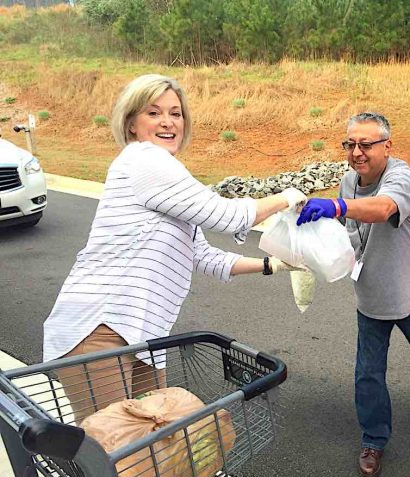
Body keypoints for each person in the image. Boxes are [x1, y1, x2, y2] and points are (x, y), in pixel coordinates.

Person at [43, 73, 306, 424]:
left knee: (154, 451)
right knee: (118, 453)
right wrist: (287, 196)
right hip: (101, 328)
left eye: (176, 113)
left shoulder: (162, 172)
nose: (168, 122)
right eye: (154, 113)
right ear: (132, 123)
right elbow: (225, 215)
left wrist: (272, 264)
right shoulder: (144, 160)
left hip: (143, 337)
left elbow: (203, 255)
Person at [296, 112, 410, 477]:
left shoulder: (400, 176)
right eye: (351, 145)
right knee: (368, 375)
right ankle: (374, 440)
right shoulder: (349, 181)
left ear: (387, 146)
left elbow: (383, 209)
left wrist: (336, 206)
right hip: (372, 296)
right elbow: (349, 230)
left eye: (366, 144)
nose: (357, 152)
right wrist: (315, 230)